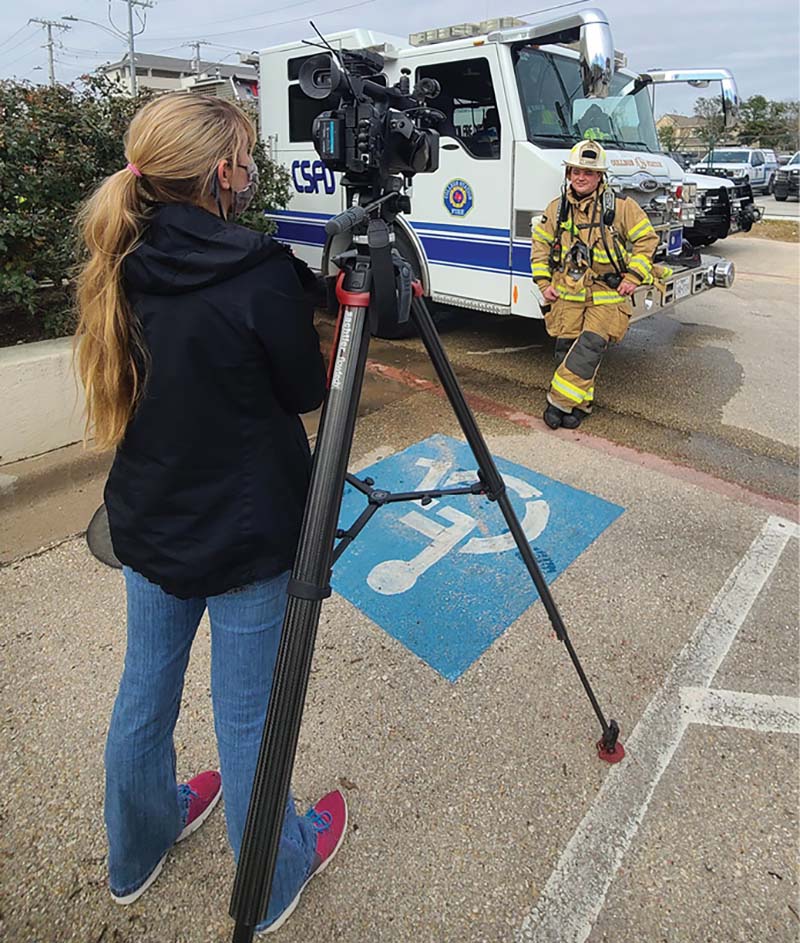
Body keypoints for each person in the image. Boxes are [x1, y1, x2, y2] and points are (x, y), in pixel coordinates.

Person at [74, 93, 346, 935]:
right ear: (222, 173)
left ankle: (137, 850)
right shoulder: (254, 266)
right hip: (248, 529)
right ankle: (272, 877)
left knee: (144, 690)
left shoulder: (120, 251)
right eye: (247, 157)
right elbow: (306, 392)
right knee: (250, 715)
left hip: (149, 518)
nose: (253, 171)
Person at [531, 140, 667, 429]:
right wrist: (544, 284)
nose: (581, 177)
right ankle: (581, 404)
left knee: (589, 347)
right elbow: (540, 247)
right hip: (567, 292)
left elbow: (647, 240)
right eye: (575, 171)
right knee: (567, 349)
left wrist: (632, 277)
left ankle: (557, 401)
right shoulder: (556, 209)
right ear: (568, 174)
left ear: (600, 177)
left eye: (588, 173)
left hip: (605, 293)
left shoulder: (620, 208)